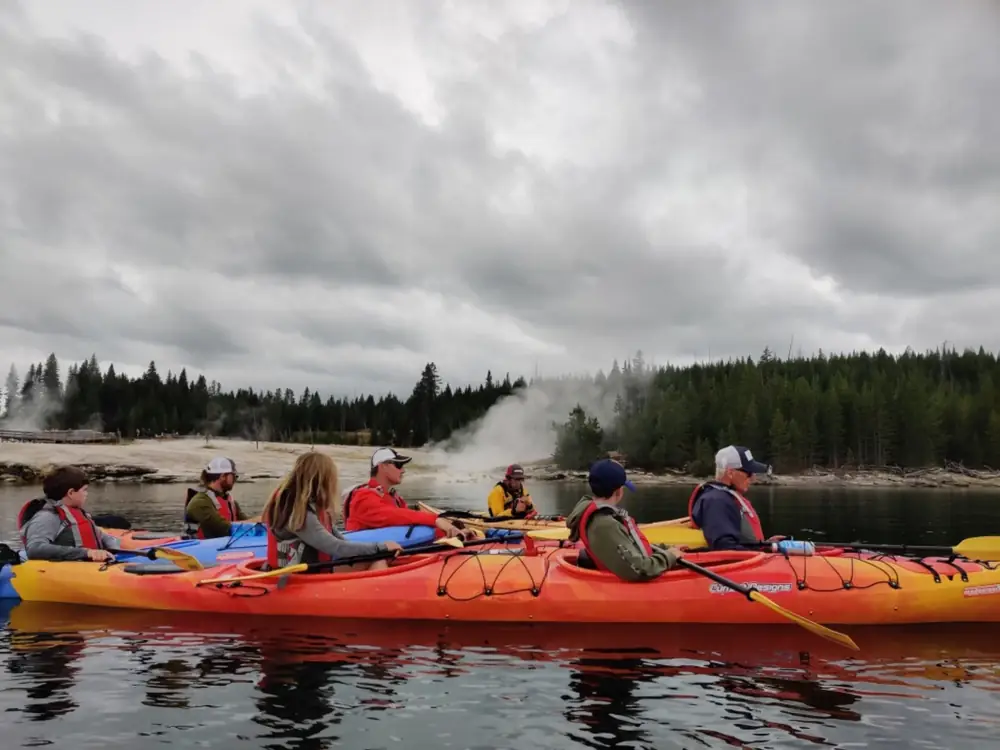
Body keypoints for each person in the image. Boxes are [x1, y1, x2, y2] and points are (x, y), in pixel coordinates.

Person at [262, 451, 403, 572]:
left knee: (378, 560)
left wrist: (378, 551)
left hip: (313, 571)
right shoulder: (296, 511)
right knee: (377, 561)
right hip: (294, 579)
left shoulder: (313, 506)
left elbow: (341, 541)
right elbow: (335, 547)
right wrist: (381, 547)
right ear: (320, 479)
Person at [566, 458, 686, 581]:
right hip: (623, 586)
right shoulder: (605, 525)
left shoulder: (601, 517)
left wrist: (665, 549)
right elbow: (639, 570)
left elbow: (630, 545)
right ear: (618, 491)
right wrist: (670, 557)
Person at [343, 447, 474, 539]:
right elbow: (392, 515)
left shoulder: (395, 498)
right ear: (383, 466)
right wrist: (436, 520)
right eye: (398, 465)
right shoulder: (363, 497)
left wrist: (452, 531)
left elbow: (411, 525)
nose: (403, 470)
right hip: (366, 561)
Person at [688, 445, 784, 550]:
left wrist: (765, 545)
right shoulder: (716, 501)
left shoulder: (723, 498)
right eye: (748, 473)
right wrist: (768, 548)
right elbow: (725, 547)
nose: (753, 478)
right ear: (730, 473)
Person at [18, 465, 121, 562]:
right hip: (60, 571)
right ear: (71, 493)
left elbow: (102, 536)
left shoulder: (77, 512)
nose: (87, 494)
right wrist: (86, 553)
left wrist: (114, 550)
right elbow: (35, 549)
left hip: (89, 566)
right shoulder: (47, 516)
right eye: (84, 490)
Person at [183, 456, 249, 539]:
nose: (235, 480)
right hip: (202, 548)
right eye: (233, 476)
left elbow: (247, 522)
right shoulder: (199, 502)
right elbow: (224, 529)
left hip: (226, 546)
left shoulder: (230, 502)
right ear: (223, 476)